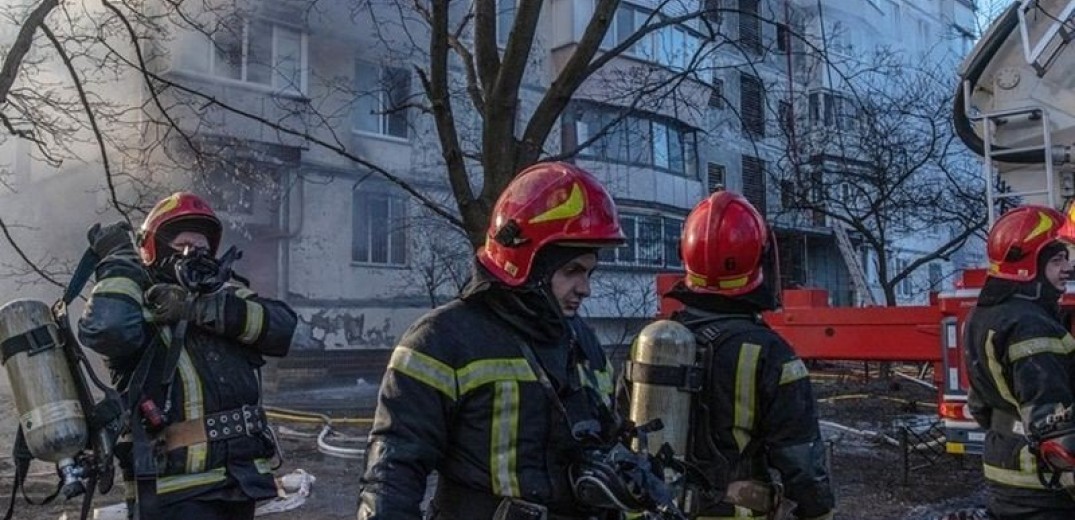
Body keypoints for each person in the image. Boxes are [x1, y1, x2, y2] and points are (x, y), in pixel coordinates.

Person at [357, 162, 630, 520]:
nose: (585, 288)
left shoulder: (584, 343)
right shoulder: (441, 340)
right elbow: (392, 476)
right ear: (528, 265)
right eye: (572, 271)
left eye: (590, 272)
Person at [78, 192, 297, 520]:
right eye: (184, 245)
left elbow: (282, 327)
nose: (196, 255)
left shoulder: (224, 301)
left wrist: (197, 308)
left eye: (203, 248)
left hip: (241, 482)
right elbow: (109, 329)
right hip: (172, 492)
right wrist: (120, 259)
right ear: (155, 251)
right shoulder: (134, 307)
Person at [645, 190, 834, 519]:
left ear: (685, 255)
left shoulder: (654, 344)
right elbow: (801, 464)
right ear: (757, 260)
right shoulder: (771, 354)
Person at [964, 205, 1075, 519]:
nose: (1066, 268)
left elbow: (979, 405)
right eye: (1056, 260)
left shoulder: (982, 315)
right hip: (1045, 490)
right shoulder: (1032, 325)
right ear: (1030, 267)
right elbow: (1057, 432)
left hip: (1005, 473)